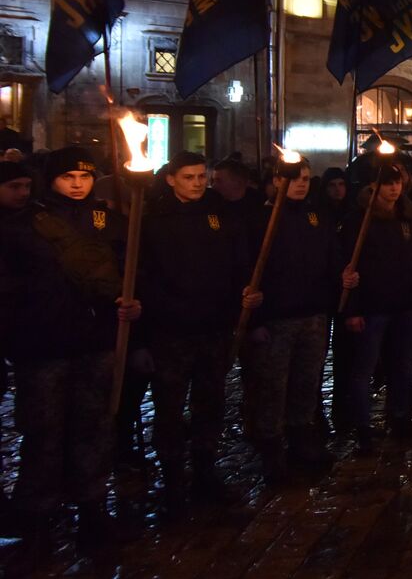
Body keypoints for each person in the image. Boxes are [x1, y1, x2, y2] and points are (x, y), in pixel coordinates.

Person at [0, 159, 140, 559]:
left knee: (93, 429)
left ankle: (93, 512)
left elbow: (128, 270)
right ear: (52, 180)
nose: (78, 184)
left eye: (85, 177)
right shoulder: (26, 224)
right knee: (44, 434)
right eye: (68, 177)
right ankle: (39, 522)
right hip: (43, 347)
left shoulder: (109, 220)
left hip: (94, 343)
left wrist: (132, 305)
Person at [141, 151, 259, 515]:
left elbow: (240, 262)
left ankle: (206, 471)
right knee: (171, 409)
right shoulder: (154, 220)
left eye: (200, 176)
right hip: (172, 333)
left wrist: (245, 291)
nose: (196, 183)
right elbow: (145, 277)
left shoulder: (220, 214)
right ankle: (174, 479)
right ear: (171, 179)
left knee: (210, 404)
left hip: (214, 328)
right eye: (188, 177)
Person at [238, 155, 344, 483]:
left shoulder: (316, 215)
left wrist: (340, 282)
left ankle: (301, 439)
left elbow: (330, 258)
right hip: (276, 319)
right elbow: (245, 270)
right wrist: (253, 320)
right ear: (276, 180)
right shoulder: (258, 219)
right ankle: (271, 448)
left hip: (312, 314)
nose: (300, 184)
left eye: (306, 178)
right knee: (273, 386)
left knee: (305, 383)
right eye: (294, 178)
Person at [340, 161, 412, 454]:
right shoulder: (359, 221)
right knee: (364, 366)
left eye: (397, 183)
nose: (393, 189)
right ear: (373, 187)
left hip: (405, 304)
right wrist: (352, 308)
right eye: (387, 184)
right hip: (373, 306)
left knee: (403, 363)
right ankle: (362, 425)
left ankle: (400, 415)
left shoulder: (408, 217)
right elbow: (348, 268)